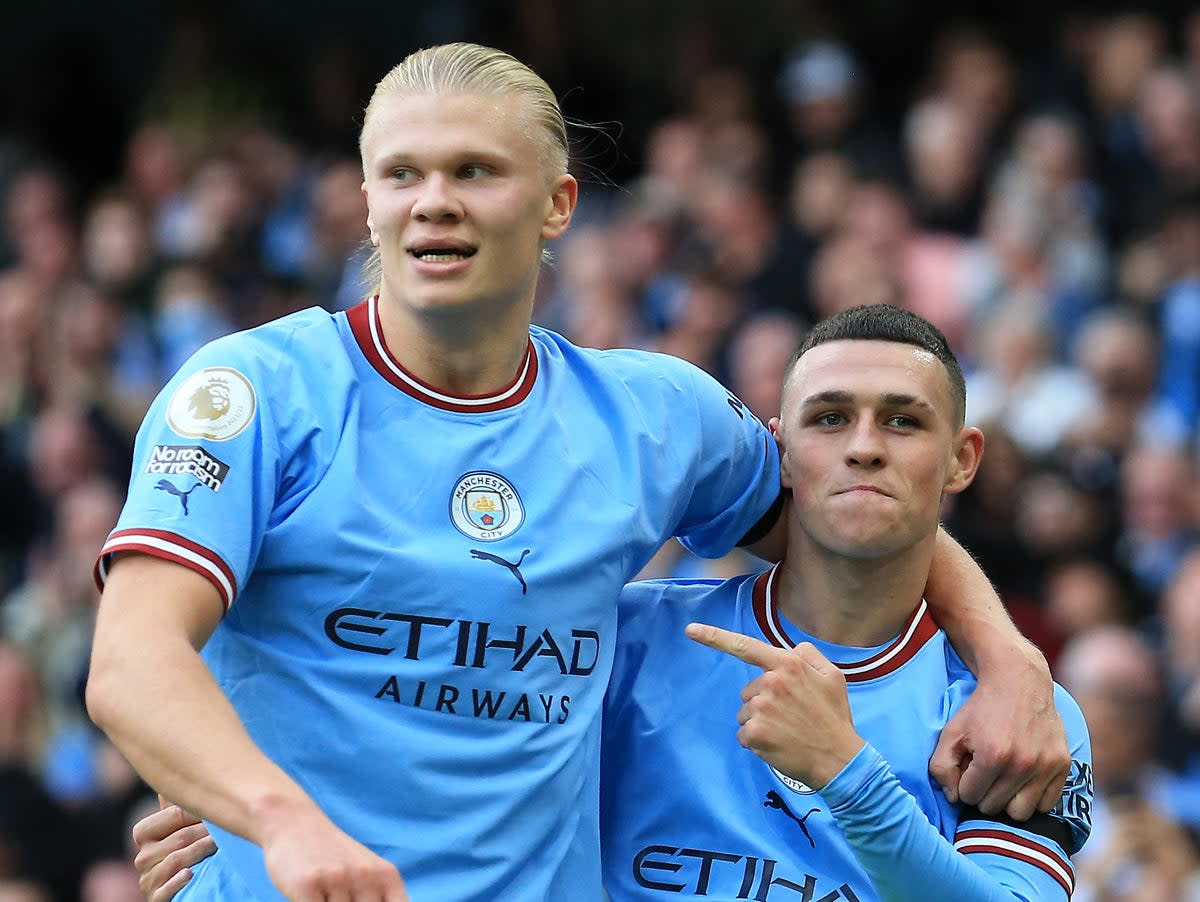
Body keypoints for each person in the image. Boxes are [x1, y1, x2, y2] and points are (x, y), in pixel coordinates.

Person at [87, 44, 1064, 902]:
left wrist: (1007, 656)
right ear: (367, 198)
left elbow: (862, 508)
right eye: (402, 173)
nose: (435, 200)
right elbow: (131, 661)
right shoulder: (257, 391)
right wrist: (274, 813)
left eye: (475, 170)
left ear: (559, 203)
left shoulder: (656, 417)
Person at [600, 305, 1092, 900]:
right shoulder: (628, 638)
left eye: (902, 421)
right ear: (779, 450)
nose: (863, 447)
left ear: (961, 460)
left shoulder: (1014, 711)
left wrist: (848, 776)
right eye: (830, 418)